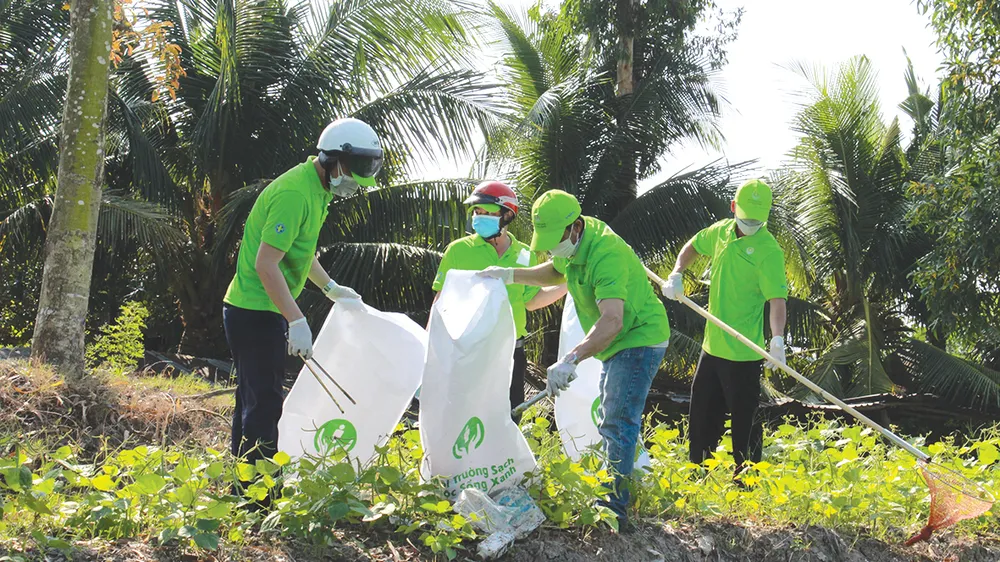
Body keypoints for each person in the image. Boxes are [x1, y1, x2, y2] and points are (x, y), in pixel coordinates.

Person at [479, 189, 670, 530]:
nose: (553, 247)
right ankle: (609, 495)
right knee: (613, 418)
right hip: (617, 342)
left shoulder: (605, 253)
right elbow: (555, 272)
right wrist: (508, 275)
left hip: (639, 338)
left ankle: (614, 510)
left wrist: (570, 358)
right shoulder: (573, 242)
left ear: (575, 227)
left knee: (617, 421)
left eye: (557, 239)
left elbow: (613, 320)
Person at [222, 117, 382, 471]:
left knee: (252, 401)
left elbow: (299, 251)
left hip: (265, 309)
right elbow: (267, 265)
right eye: (353, 169)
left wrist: (331, 288)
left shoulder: (318, 190)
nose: (354, 180)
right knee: (264, 405)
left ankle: (243, 485)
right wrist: (296, 319)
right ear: (333, 158)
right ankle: (257, 495)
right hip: (253, 310)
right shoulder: (295, 194)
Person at [660, 178, 788, 478]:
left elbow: (777, 302)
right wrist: (677, 273)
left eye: (757, 219)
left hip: (744, 353)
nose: (751, 223)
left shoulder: (770, 251)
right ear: (733, 208)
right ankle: (697, 477)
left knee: (745, 427)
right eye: (746, 217)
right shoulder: (719, 232)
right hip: (711, 347)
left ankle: (746, 484)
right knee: (702, 417)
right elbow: (692, 246)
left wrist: (778, 340)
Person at [431, 181, 566, 421]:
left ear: (507, 214)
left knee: (508, 418)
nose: (479, 217)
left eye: (486, 212)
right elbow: (440, 304)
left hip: (511, 351)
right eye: (476, 212)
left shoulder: (526, 254)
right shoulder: (458, 250)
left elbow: (532, 301)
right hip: (467, 351)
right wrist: (429, 351)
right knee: (463, 418)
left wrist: (570, 284)